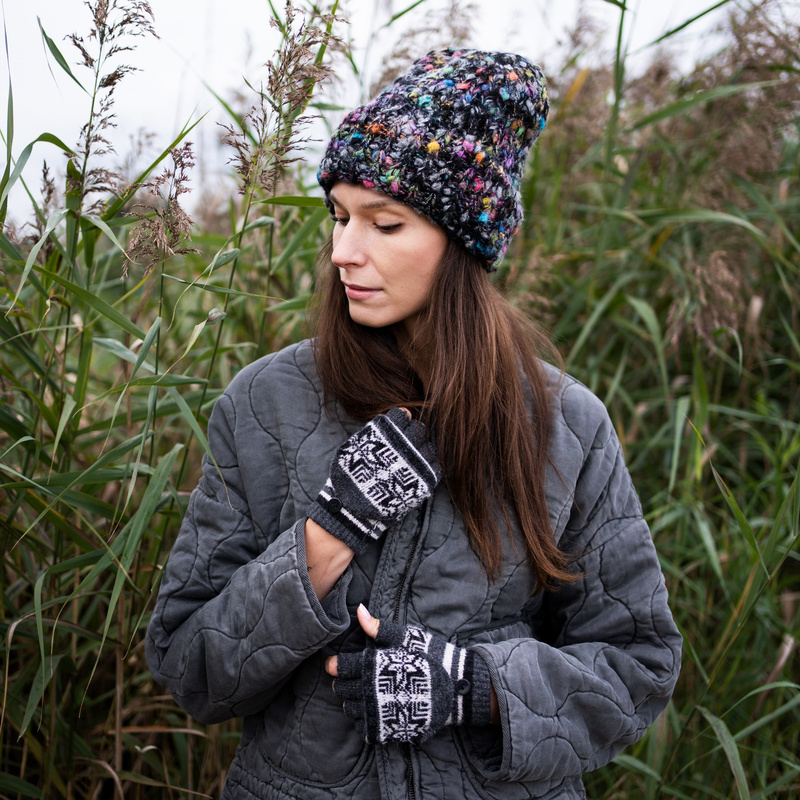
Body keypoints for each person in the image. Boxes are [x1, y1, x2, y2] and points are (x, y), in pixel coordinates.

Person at [146, 48, 682, 800]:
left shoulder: (567, 426)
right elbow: (189, 666)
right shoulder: (265, 403)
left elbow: (639, 664)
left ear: (462, 241)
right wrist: (328, 533)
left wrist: (472, 686)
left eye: (384, 223)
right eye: (338, 216)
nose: (343, 251)